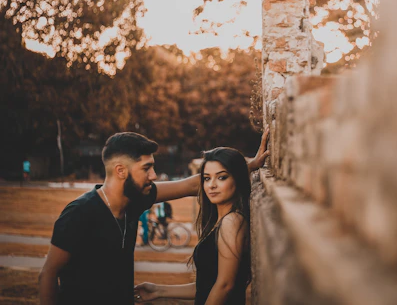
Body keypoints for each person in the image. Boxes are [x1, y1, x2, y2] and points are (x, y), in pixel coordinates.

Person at [39, 130, 269, 305]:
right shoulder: (79, 213)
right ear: (121, 171)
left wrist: (249, 165)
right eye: (146, 168)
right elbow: (48, 273)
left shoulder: (135, 200)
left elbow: (192, 184)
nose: (154, 175)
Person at [134, 147, 252, 305]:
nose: (212, 185)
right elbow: (206, 286)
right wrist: (158, 291)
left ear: (237, 179)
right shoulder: (220, 221)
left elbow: (225, 286)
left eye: (222, 177)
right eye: (206, 178)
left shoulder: (232, 221)